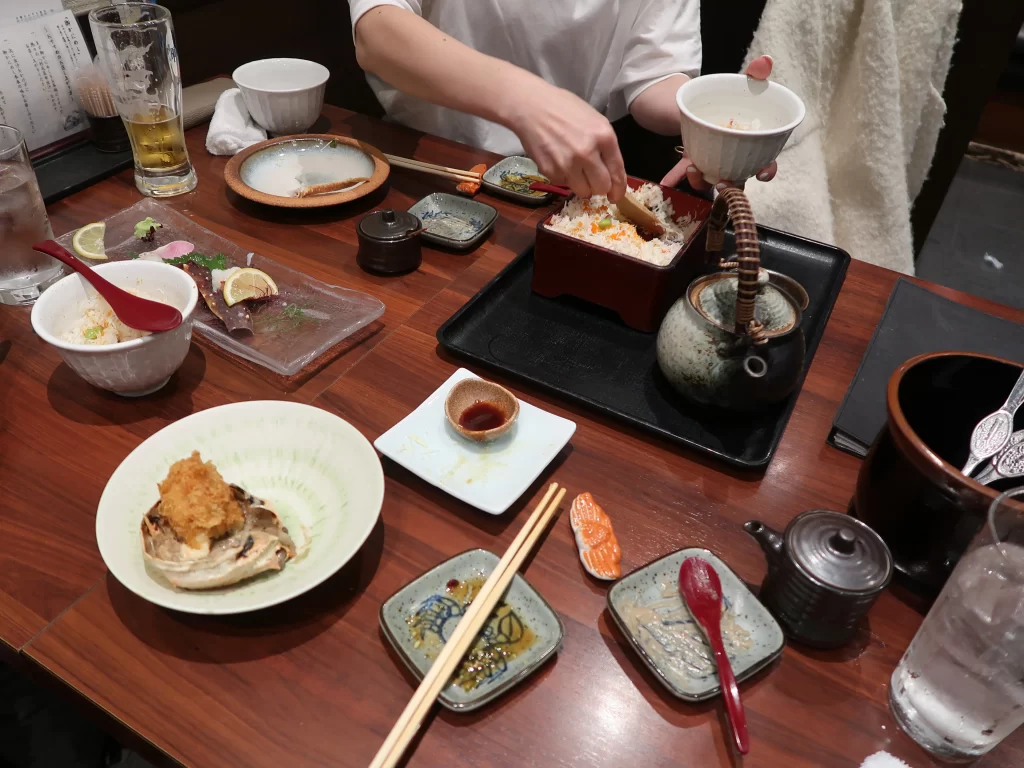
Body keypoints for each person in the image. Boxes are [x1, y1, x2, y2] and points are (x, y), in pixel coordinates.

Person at [349, 1, 776, 202]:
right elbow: (377, 32)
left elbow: (653, 77)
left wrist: (711, 120)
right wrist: (524, 99)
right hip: (427, 168)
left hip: (560, 185)